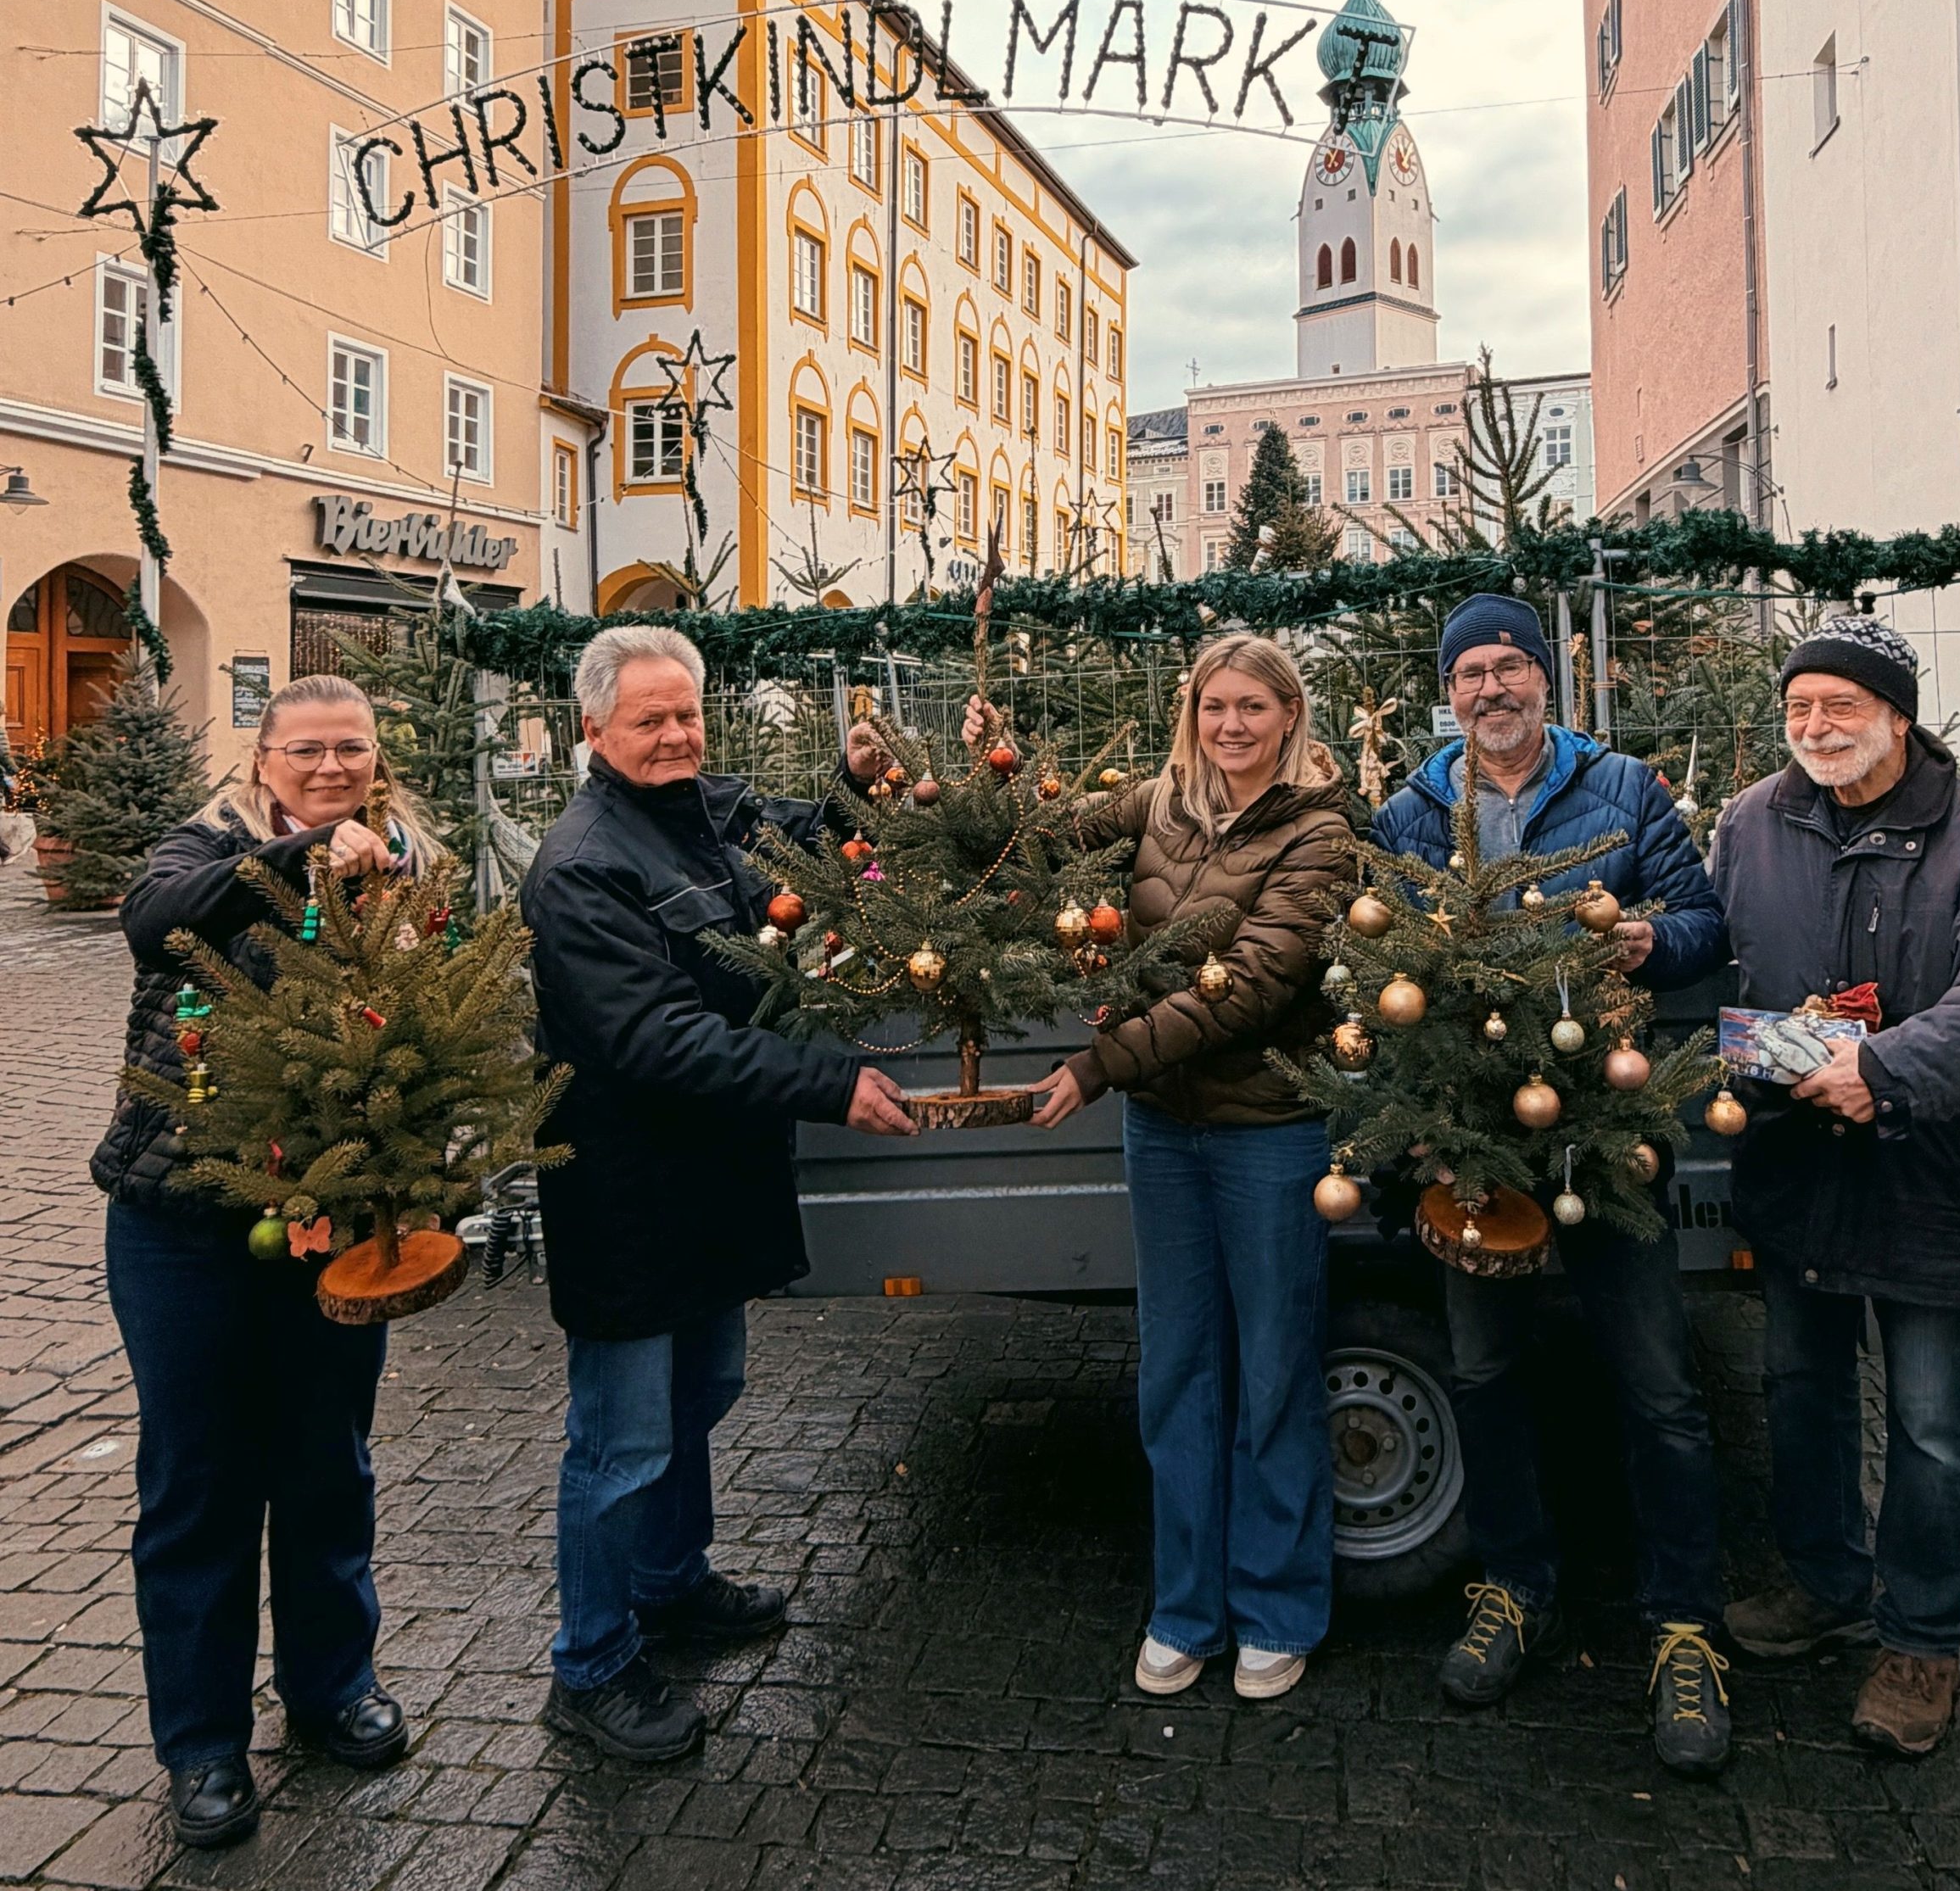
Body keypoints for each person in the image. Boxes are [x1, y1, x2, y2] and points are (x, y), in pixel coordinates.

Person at [522, 628, 918, 1763]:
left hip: (712, 1183)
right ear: (594, 731)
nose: (674, 735)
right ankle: (592, 1663)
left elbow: (818, 834)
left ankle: (670, 1581)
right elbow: (657, 1039)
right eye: (648, 720)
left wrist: (857, 779)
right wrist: (830, 1082)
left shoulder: (705, 810)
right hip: (629, 1198)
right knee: (622, 1441)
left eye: (686, 714)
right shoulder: (584, 864)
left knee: (706, 1389)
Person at [1369, 593, 1733, 1775]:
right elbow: (1372, 965)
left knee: (1659, 1386)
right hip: (1475, 1146)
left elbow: (1703, 923)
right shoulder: (1412, 813)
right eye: (1468, 671)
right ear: (1449, 690)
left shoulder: (1623, 793)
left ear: (1548, 675)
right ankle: (1515, 1583)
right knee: (1485, 1369)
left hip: (1607, 1135)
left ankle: (1684, 1623)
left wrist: (1648, 941)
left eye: (1509, 667)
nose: (1490, 689)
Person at [1711, 612, 1960, 1757]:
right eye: (1800, 708)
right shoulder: (1747, 826)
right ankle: (1825, 1582)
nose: (1817, 727)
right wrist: (1783, 1057)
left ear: (1897, 717)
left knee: (1932, 1425)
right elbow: (1714, 968)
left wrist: (1887, 1069)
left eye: (1843, 707)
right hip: (1798, 1169)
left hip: (1928, 1174)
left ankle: (1920, 1640)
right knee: (1801, 1391)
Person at [90, 673, 439, 1849]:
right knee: (198, 1483)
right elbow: (156, 922)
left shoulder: (403, 863)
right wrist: (299, 861)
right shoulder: (204, 844)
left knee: (327, 1462)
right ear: (265, 757)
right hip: (184, 1222)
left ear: (375, 758)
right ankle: (201, 1748)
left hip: (334, 1219)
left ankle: (334, 1689)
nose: (332, 767)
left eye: (353, 749)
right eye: (308, 750)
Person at [973, 633, 1354, 1702]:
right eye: (1212, 706)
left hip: (1267, 1131)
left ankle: (1277, 1606)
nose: (1230, 726)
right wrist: (994, 753)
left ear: (1288, 716)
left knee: (1273, 1369)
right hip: (1164, 1130)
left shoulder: (1321, 836)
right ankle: (1187, 1607)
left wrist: (1097, 1066)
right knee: (1176, 1367)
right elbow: (1034, 841)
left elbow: (1253, 986)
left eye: (1251, 708)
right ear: (1191, 712)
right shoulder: (1160, 804)